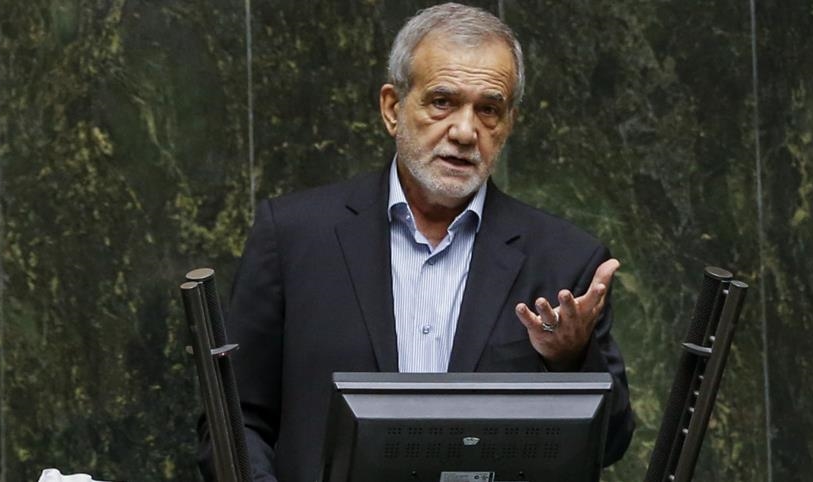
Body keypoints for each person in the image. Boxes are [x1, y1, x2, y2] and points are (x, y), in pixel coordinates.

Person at [199, 3, 634, 481]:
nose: (465, 132)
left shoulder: (565, 261)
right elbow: (233, 421)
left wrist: (569, 359)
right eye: (442, 101)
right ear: (392, 108)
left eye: (488, 110)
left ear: (508, 123)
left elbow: (610, 444)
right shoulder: (294, 236)